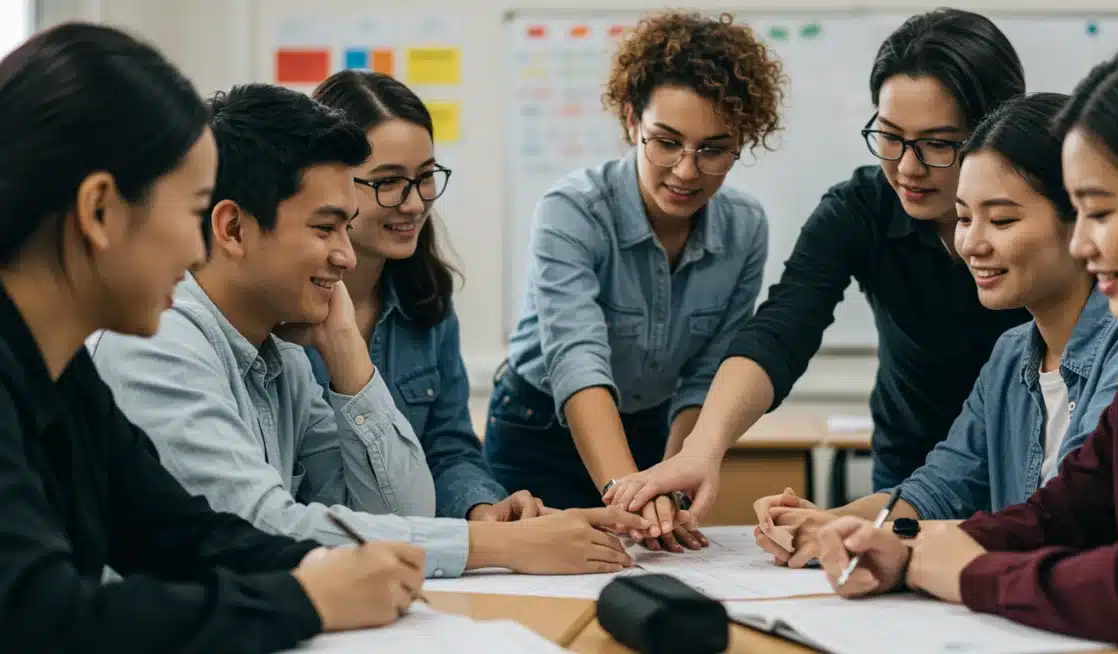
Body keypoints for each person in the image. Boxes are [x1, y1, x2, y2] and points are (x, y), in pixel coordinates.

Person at [88, 82, 648, 581]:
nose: (346, 256)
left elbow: (400, 512)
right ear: (233, 228)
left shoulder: (282, 352)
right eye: (325, 228)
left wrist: (348, 357)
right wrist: (503, 545)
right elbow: (256, 528)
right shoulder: (156, 344)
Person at [0, 23, 426, 652]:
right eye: (193, 209)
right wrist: (307, 598)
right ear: (99, 211)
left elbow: (178, 532)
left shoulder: (61, 371)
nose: (198, 249)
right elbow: (45, 619)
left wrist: (323, 568)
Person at [814, 34, 1118, 651]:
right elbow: (1064, 510)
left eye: (1100, 212)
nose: (1082, 245)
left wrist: (968, 574)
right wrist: (904, 547)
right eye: (966, 217)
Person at [607, 7, 1033, 526]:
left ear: (996, 131)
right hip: (914, 474)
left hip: (1033, 467)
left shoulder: (1055, 218)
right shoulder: (862, 209)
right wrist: (702, 449)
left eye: (938, 144)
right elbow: (782, 328)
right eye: (890, 136)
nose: (907, 167)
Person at [752, 93, 1118, 567]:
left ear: (1080, 221)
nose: (971, 244)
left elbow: (1070, 522)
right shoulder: (1011, 356)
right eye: (963, 218)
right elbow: (936, 492)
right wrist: (827, 523)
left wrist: (888, 543)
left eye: (1001, 220)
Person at [482, 10, 784, 550]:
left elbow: (707, 374)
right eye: (666, 142)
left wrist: (674, 480)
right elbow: (577, 360)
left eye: (714, 149)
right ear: (631, 122)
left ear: (742, 141)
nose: (686, 171)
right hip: (538, 431)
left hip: (651, 432)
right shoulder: (572, 210)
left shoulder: (746, 228)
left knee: (652, 571)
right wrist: (630, 492)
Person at [307, 70, 539, 523]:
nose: (415, 203)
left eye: (426, 176)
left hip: (417, 549)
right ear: (329, 183)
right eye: (389, 181)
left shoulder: (427, 301)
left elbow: (447, 449)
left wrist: (481, 507)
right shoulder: (283, 313)